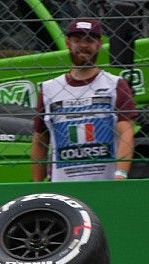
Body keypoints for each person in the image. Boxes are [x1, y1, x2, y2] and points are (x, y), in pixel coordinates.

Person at [31, 18, 136, 182]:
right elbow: (39, 141)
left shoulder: (115, 85)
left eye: (89, 39)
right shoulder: (48, 89)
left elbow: (127, 131)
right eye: (77, 40)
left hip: (105, 185)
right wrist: (37, 187)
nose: (83, 45)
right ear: (67, 43)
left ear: (99, 44)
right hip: (64, 189)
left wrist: (121, 174)